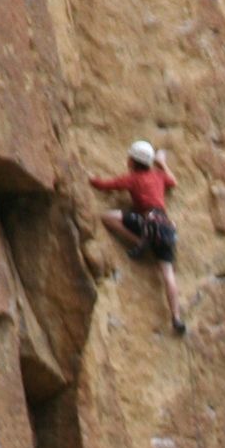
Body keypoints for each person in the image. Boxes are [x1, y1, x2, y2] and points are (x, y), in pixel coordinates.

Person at [90, 140, 185, 332]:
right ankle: (176, 317)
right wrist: (162, 163)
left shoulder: (132, 179)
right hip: (166, 228)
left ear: (132, 161)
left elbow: (104, 185)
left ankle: (141, 241)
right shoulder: (158, 176)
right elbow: (173, 182)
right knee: (167, 273)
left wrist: (90, 178)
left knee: (108, 217)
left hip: (146, 224)